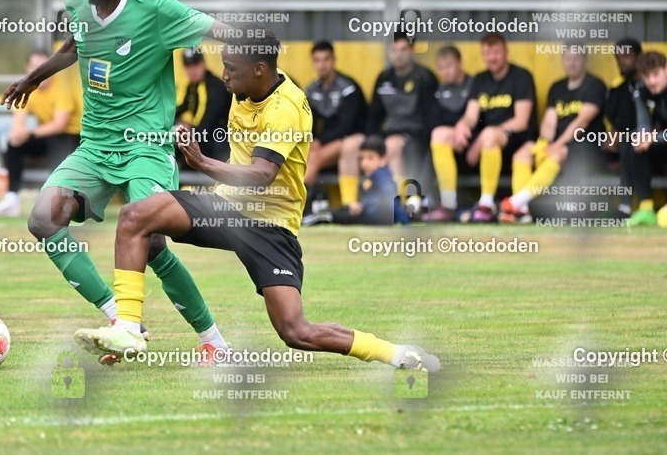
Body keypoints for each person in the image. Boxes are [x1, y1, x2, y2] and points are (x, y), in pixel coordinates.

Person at [72, 31, 439, 373]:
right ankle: (128, 329)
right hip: (227, 208)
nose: (224, 76)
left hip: (271, 226)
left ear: (260, 69)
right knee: (135, 216)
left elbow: (263, 175)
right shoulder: (244, 88)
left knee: (296, 332)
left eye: (231, 69)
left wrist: (201, 163)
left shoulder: (286, 107)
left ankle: (395, 353)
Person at [0, 0, 237, 362]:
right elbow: (75, 45)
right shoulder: (77, 2)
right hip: (95, 145)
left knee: (152, 243)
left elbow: (221, 29)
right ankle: (120, 320)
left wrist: (255, 57)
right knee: (43, 219)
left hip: (146, 146)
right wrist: (33, 78)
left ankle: (214, 343)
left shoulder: (155, 10)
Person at [424, 32, 537, 223]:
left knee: (490, 134)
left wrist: (487, 133)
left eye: (496, 52)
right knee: (440, 133)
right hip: (485, 143)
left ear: (506, 51)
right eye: (487, 53)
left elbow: (521, 121)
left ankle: (486, 204)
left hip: (516, 141)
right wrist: (462, 125)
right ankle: (448, 204)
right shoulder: (480, 79)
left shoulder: (521, 76)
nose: (491, 58)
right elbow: (471, 115)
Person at [498, 46, 605, 223]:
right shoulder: (557, 87)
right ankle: (522, 211)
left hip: (585, 146)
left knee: (559, 152)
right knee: (523, 152)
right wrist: (544, 142)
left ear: (585, 60)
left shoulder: (595, 85)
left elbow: (581, 123)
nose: (571, 63)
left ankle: (515, 202)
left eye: (576, 58)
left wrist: (557, 144)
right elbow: (549, 121)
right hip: (558, 144)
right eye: (568, 58)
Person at [338, 32, 436, 206]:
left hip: (416, 135)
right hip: (389, 132)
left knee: (391, 145)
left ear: (412, 50)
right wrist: (371, 140)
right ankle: (350, 203)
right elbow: (374, 115)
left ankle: (399, 202)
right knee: (351, 146)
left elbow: (431, 117)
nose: (398, 55)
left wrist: (421, 137)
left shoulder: (425, 77)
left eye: (403, 50)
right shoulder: (384, 78)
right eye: (394, 50)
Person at [0, 50, 82, 217]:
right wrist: (17, 134)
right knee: (13, 144)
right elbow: (18, 122)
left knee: (56, 142)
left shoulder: (62, 88)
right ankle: (11, 199)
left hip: (72, 137)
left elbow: (60, 125)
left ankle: (56, 201)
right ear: (27, 68)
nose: (39, 72)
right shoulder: (26, 87)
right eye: (34, 67)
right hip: (46, 135)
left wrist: (29, 134)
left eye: (42, 67)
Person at [302, 40, 366, 213]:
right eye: (317, 60)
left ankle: (298, 200)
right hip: (327, 141)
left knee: (316, 155)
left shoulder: (348, 87)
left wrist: (319, 140)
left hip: (352, 137)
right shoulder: (312, 90)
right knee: (306, 151)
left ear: (334, 60)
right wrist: (313, 139)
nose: (322, 65)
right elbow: (309, 123)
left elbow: (347, 125)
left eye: (326, 59)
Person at [309, 135, 409, 226]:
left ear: (383, 159)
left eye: (370, 158)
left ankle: (321, 216)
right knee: (342, 211)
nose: (365, 163)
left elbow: (389, 198)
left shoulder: (380, 175)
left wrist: (363, 206)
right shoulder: (374, 176)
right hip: (372, 215)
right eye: (361, 159)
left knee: (337, 215)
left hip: (376, 217)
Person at [621, 51, 667, 227]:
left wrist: (653, 137)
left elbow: (653, 136)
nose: (651, 81)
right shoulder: (641, 90)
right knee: (632, 141)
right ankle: (645, 208)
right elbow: (643, 124)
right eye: (647, 76)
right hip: (662, 143)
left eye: (656, 74)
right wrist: (643, 136)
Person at [604, 38, 643, 219]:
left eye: (627, 56)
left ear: (639, 57)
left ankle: (625, 208)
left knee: (629, 144)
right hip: (622, 145)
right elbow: (614, 123)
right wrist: (611, 138)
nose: (622, 61)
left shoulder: (649, 85)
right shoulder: (617, 88)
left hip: (648, 143)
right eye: (618, 57)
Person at [175, 48, 229, 163]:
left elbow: (208, 125)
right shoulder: (193, 86)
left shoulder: (215, 87)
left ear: (203, 64)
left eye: (196, 65)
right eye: (188, 66)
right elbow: (181, 109)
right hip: (204, 137)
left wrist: (186, 133)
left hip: (220, 141)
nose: (192, 70)